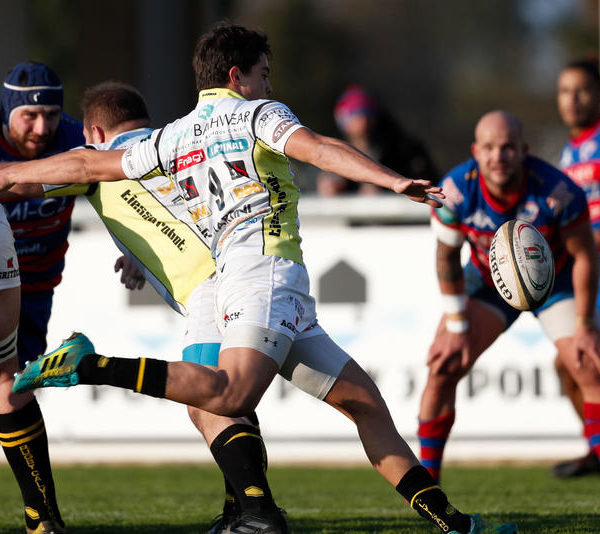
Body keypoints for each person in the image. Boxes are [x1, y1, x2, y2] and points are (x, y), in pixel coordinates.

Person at [3, 23, 517, 534]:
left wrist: (7, 175)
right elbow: (314, 147)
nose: (269, 86)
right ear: (237, 76)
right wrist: (391, 179)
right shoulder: (258, 114)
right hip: (266, 273)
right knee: (229, 398)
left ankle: (456, 526)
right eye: (264, 74)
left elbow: (93, 168)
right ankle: (90, 366)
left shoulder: (174, 134)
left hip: (252, 284)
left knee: (364, 404)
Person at [7, 79, 287, 533]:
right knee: (229, 395)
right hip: (250, 272)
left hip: (206, 287)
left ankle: (258, 513)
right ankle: (245, 510)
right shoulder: (173, 146)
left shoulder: (97, 162)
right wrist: (140, 252)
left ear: (94, 132)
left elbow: (18, 187)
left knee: (210, 401)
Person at [417, 110, 600, 485]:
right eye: (489, 148)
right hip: (486, 281)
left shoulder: (558, 191)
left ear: (524, 151)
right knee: (443, 365)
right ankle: (426, 485)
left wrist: (584, 325)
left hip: (556, 282)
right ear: (475, 151)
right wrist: (455, 324)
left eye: (507, 148)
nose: (498, 157)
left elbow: (584, 255)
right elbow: (446, 257)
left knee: (588, 364)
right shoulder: (453, 190)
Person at [0, 61, 84, 534]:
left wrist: (135, 252)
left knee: (13, 390)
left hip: (32, 290)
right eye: (29, 116)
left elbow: (114, 192)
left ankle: (41, 517)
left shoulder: (72, 140)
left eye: (50, 115)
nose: (41, 127)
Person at [553, 58, 600, 477]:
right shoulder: (570, 151)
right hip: (587, 271)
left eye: (582, 89)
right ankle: (595, 447)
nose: (573, 99)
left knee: (585, 358)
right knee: (569, 363)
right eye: (565, 90)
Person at [316, 84, 438, 196]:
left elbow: (427, 183)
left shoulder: (403, 149)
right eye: (355, 115)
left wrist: (384, 188)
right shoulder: (337, 150)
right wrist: (335, 187)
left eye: (365, 114)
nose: (363, 121)